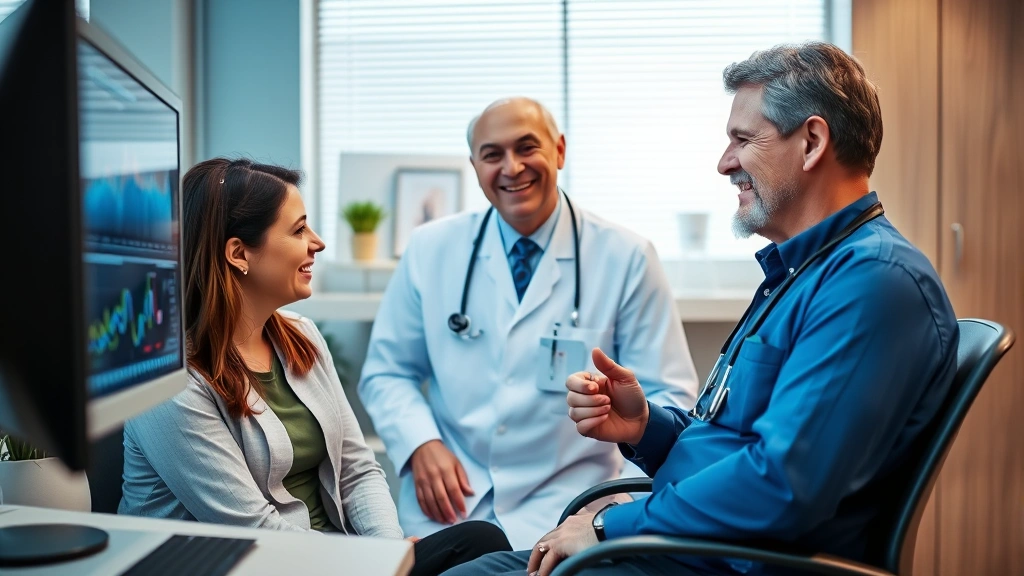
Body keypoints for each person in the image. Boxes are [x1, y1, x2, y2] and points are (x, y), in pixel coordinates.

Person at [442, 41, 959, 576]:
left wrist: (606, 527)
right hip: (678, 548)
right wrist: (646, 428)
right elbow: (733, 440)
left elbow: (781, 484)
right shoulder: (801, 274)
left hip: (714, 563)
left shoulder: (871, 283)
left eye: (742, 139)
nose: (724, 163)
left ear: (811, 142)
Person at [118, 158, 511, 576]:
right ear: (238, 253)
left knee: (483, 542)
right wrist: (371, 562)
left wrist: (389, 552)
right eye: (298, 229)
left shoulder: (301, 337)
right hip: (253, 564)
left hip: (339, 559)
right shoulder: (170, 380)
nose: (318, 243)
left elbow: (356, 469)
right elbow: (254, 529)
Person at [358, 97, 699, 549]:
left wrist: (618, 504)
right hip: (455, 499)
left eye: (527, 147)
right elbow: (388, 372)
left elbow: (667, 394)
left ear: (559, 150)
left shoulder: (626, 256)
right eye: (492, 154)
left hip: (572, 505)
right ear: (474, 165)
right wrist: (421, 444)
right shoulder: (430, 248)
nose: (512, 167)